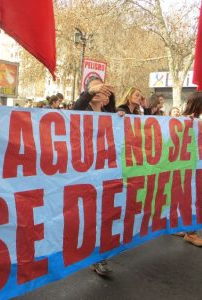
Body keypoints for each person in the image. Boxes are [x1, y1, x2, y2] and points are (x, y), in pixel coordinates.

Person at [74, 76, 118, 277]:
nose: (98, 91)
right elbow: (74, 111)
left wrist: (122, 117)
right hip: (84, 174)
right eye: (94, 89)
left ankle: (99, 256)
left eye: (102, 89)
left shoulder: (111, 114)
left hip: (105, 171)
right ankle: (89, 253)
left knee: (104, 215)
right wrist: (90, 92)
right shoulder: (82, 110)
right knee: (89, 217)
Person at [176, 92, 202, 246]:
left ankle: (185, 228)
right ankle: (191, 233)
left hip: (195, 165)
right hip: (187, 167)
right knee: (191, 198)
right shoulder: (183, 120)